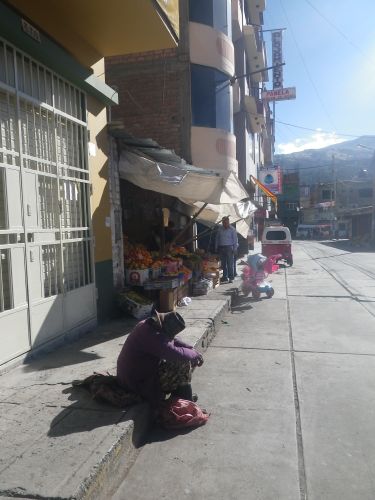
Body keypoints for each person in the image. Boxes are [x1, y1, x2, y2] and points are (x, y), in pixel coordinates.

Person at [116, 311, 203, 411]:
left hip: (136, 376)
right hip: (136, 383)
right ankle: (186, 402)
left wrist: (191, 349)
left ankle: (181, 397)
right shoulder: (151, 335)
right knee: (183, 363)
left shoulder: (147, 324)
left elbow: (174, 341)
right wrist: (195, 355)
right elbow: (174, 352)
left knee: (186, 358)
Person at [215, 216, 238, 283]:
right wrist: (216, 247)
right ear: (222, 222)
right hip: (221, 247)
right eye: (223, 222)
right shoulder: (220, 229)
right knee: (223, 264)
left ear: (228, 222)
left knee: (230, 263)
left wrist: (235, 249)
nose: (225, 223)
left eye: (226, 222)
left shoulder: (232, 229)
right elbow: (217, 238)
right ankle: (225, 277)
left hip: (229, 248)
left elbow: (235, 240)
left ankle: (231, 278)